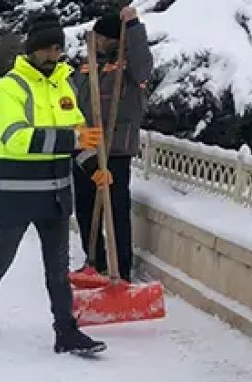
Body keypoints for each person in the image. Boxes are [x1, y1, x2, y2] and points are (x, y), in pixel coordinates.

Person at [0, 14, 108, 356]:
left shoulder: (64, 85)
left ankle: (65, 331)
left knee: (57, 269)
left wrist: (93, 167)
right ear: (31, 50)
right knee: (3, 255)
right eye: (46, 48)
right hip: (17, 190)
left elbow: (79, 135)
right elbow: (15, 138)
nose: (52, 54)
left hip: (56, 192)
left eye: (57, 48)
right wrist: (72, 140)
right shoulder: (9, 88)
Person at [70, 6, 153, 281]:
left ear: (110, 39)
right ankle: (95, 262)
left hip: (116, 150)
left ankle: (121, 270)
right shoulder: (86, 65)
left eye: (98, 36)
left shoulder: (130, 67)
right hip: (86, 149)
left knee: (116, 212)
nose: (93, 40)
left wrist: (134, 27)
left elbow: (143, 67)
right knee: (85, 208)